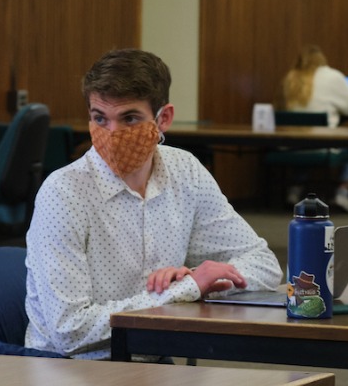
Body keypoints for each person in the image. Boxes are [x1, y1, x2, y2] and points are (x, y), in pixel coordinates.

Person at [23, 48, 283, 360]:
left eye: (129, 118)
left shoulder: (184, 170)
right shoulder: (63, 194)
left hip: (154, 359)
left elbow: (264, 265)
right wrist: (187, 290)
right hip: (72, 370)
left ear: (164, 119)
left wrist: (196, 276)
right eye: (99, 118)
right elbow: (71, 331)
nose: (112, 134)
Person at [282, 44, 348, 211]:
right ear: (322, 60)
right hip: (323, 146)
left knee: (305, 141)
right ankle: (342, 193)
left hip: (291, 145)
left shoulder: (291, 78)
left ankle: (294, 189)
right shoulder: (332, 76)